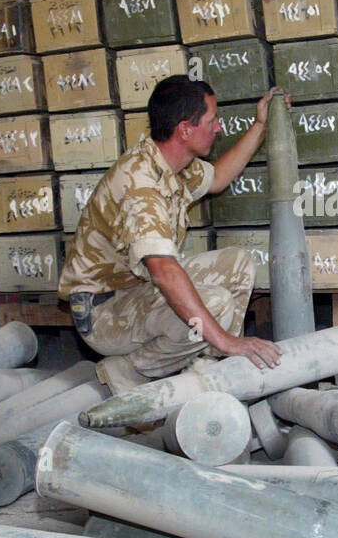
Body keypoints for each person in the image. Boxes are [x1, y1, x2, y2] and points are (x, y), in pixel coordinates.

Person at [58, 75, 285, 383]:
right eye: (212, 120)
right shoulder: (140, 184)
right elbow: (164, 272)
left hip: (136, 289)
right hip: (104, 312)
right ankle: (132, 369)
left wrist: (260, 125)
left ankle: (211, 369)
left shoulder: (173, 162)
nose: (217, 127)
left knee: (238, 264)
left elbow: (217, 177)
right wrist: (226, 339)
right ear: (185, 129)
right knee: (215, 304)